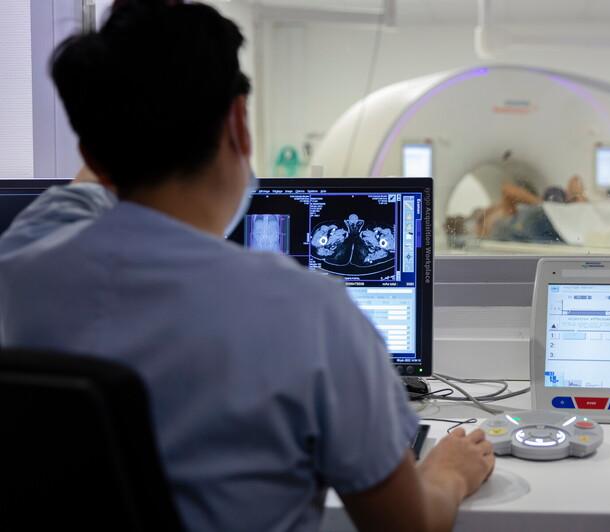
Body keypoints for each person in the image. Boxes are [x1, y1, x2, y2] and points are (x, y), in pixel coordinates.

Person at [0, 2, 494, 531]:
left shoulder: (18, 265)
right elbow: (406, 525)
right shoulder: (310, 313)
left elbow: (82, 189)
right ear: (239, 123)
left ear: (93, 153)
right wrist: (449, 472)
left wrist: (114, 95)